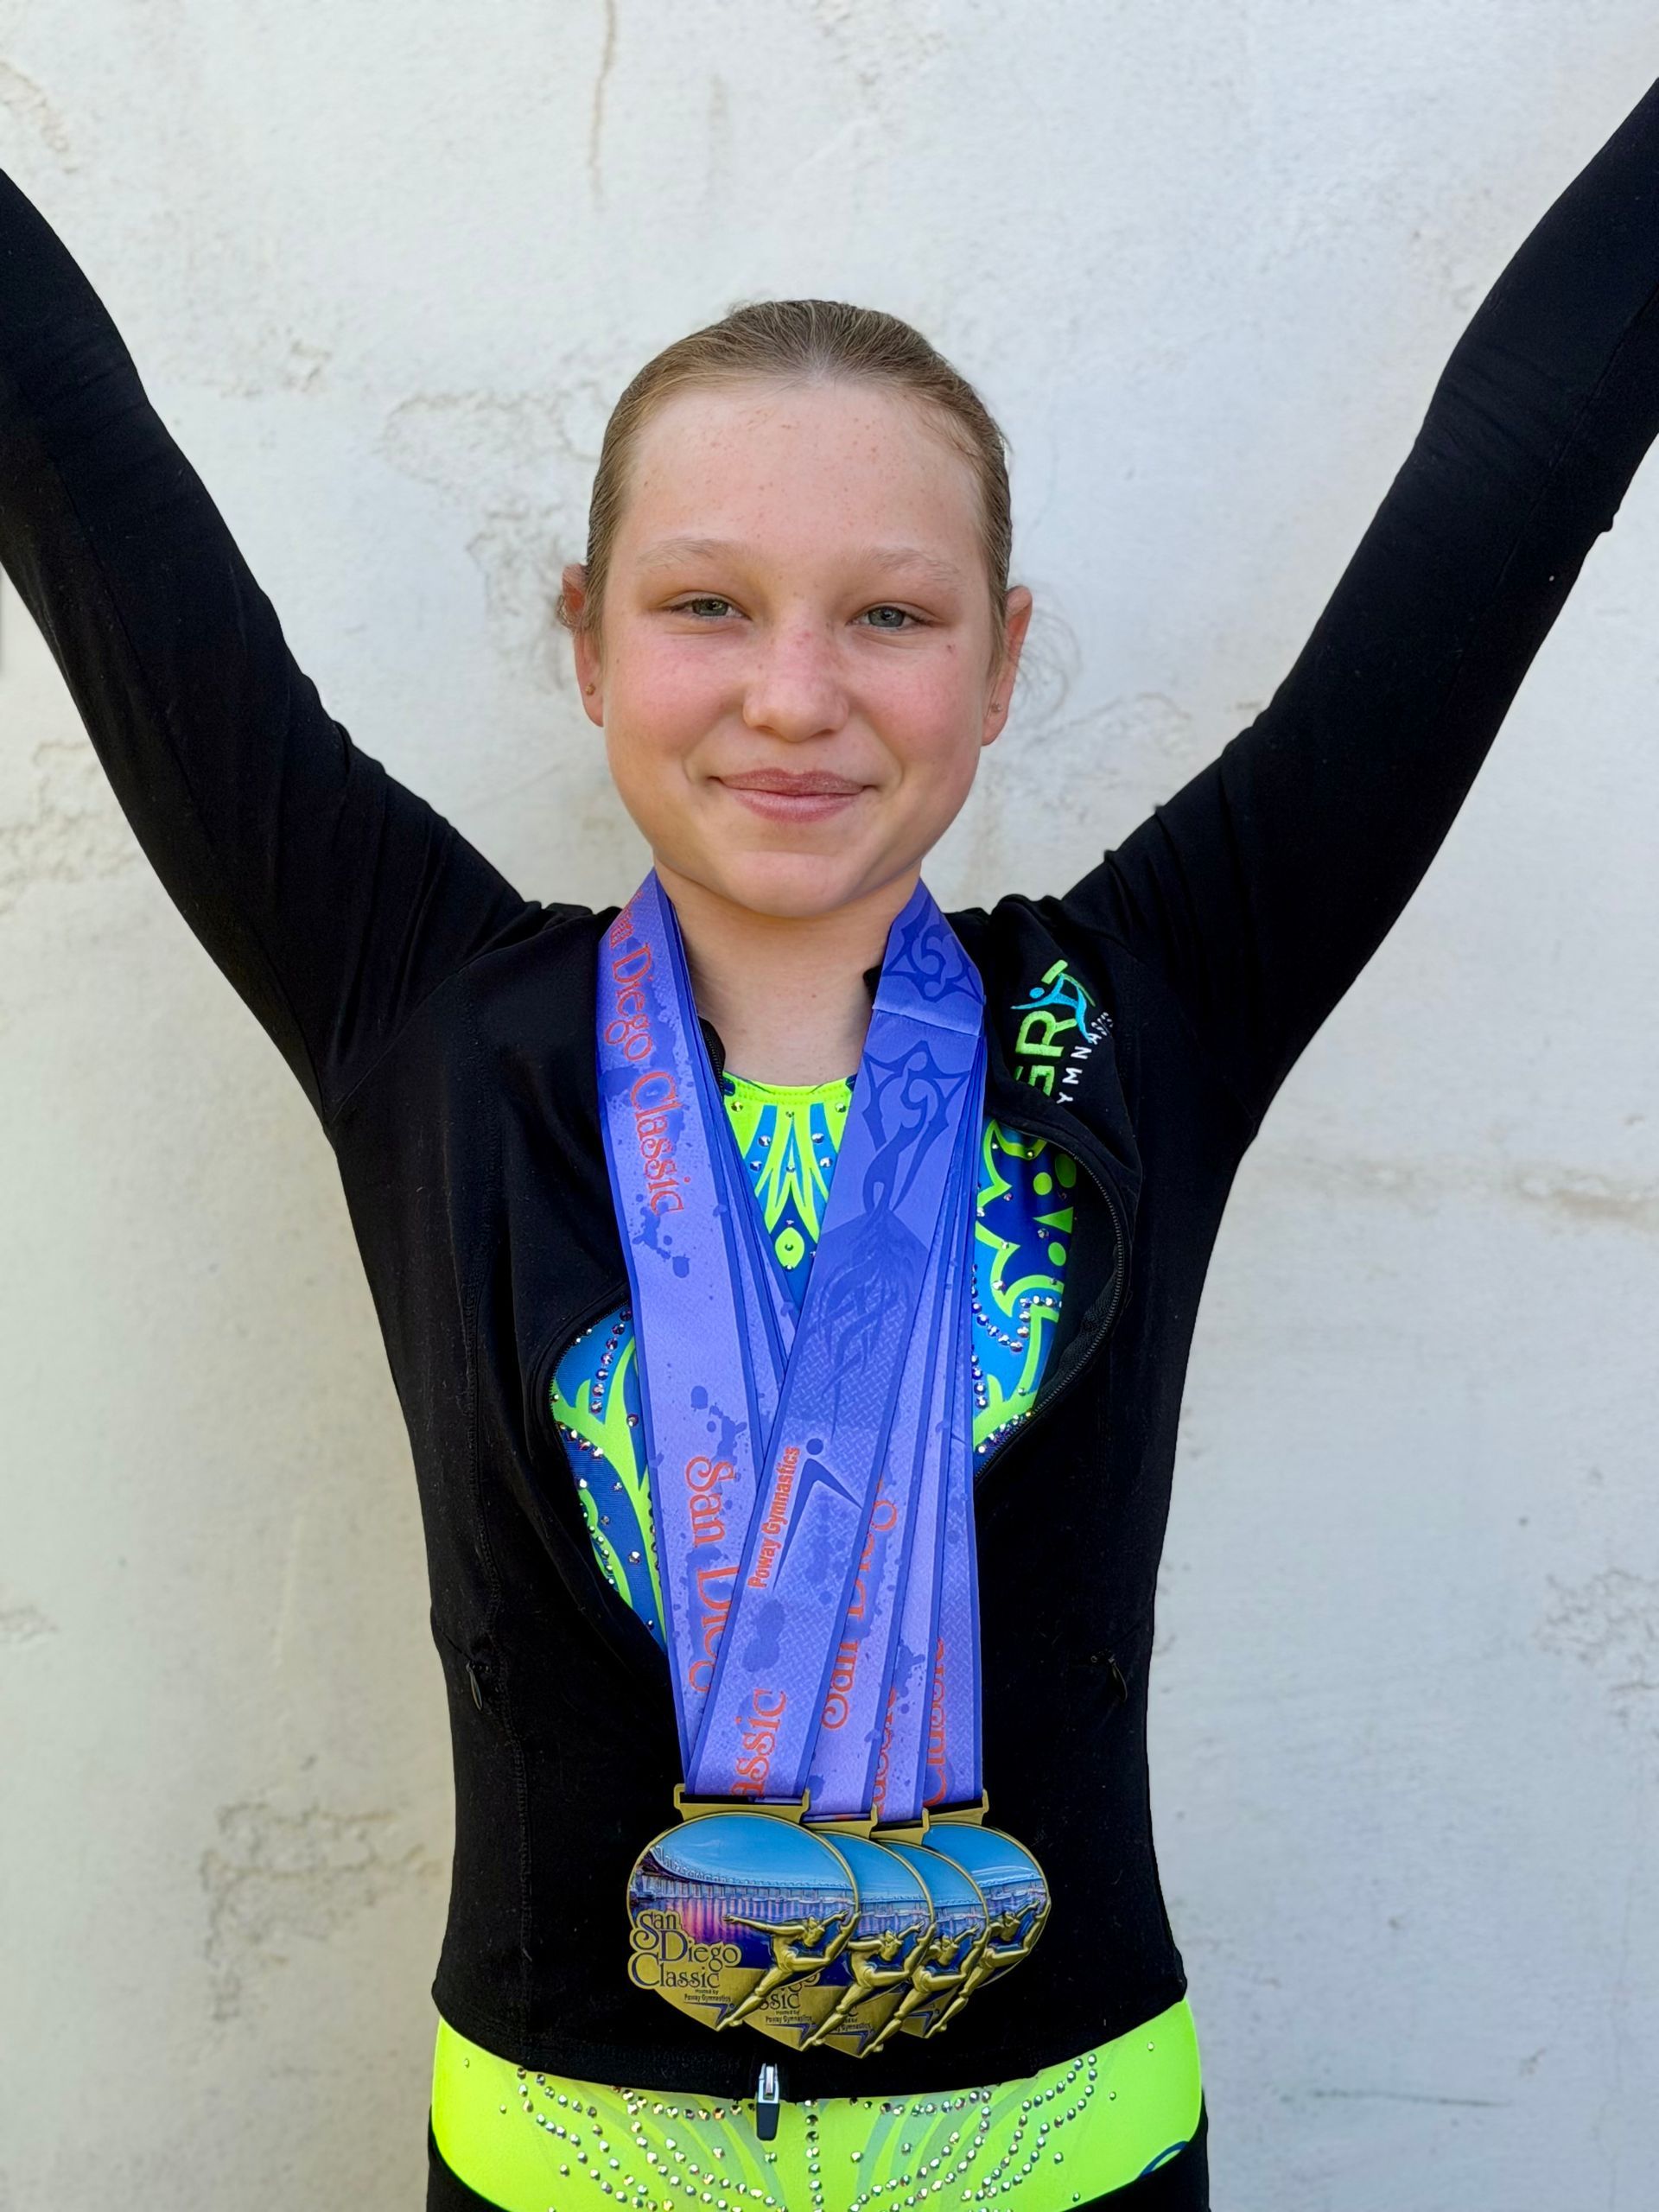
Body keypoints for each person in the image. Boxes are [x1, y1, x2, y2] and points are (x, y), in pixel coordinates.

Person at [4, 56, 1659, 2211]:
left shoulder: (1131, 1019)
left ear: (1000, 663)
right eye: (705, 603)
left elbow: (1511, 477)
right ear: (585, 642)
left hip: (1067, 2168)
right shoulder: (426, 1015)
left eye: (891, 611)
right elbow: (82, 478)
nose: (797, 693)